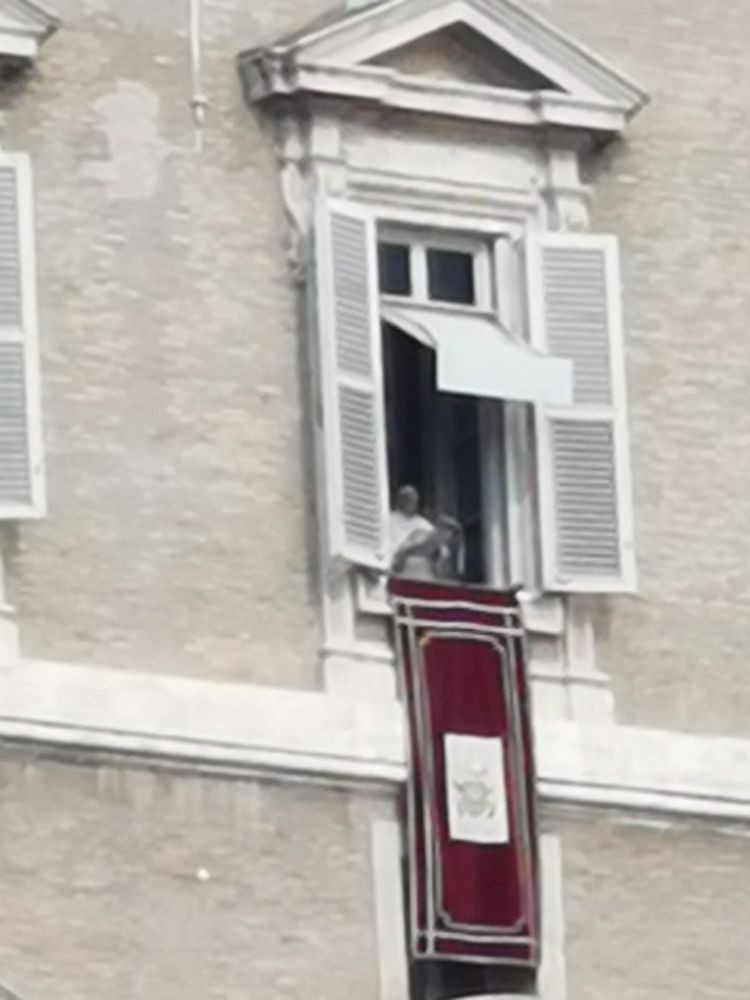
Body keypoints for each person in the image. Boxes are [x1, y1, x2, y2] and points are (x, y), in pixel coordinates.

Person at [389, 485, 463, 581]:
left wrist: (435, 550)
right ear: (399, 500)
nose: (410, 502)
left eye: (413, 499)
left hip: (425, 576)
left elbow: (442, 553)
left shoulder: (423, 523)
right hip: (402, 576)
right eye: (406, 498)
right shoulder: (389, 520)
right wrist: (407, 550)